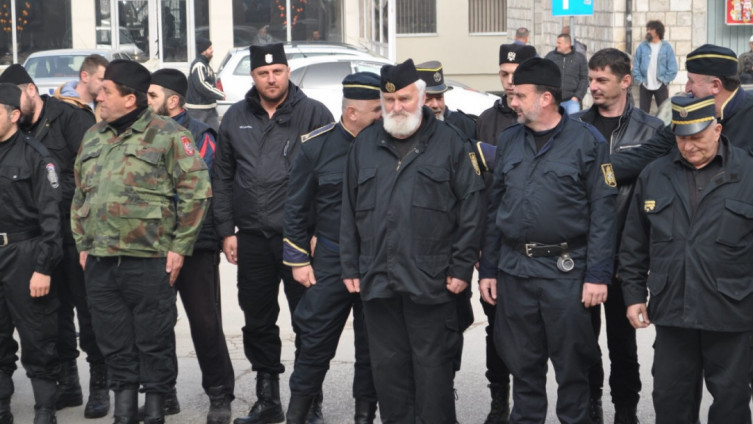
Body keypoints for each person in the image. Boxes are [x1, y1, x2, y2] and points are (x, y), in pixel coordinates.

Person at [340, 59, 485, 424]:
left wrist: (461, 268)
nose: (396, 107)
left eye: (404, 99)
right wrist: (350, 266)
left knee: (433, 373)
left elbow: (471, 210)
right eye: (389, 101)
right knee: (389, 373)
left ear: (420, 97)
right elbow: (349, 210)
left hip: (432, 281)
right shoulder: (365, 144)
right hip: (378, 279)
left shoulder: (450, 142)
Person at [71, 59, 212, 424]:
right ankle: (124, 411)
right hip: (101, 260)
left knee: (154, 340)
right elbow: (80, 194)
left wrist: (180, 246)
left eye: (107, 91)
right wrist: (83, 243)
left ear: (129, 99)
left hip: (149, 259)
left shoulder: (169, 135)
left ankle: (155, 411)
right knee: (112, 340)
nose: (99, 97)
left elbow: (197, 192)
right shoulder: (94, 135)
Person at [478, 57, 618, 423]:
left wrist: (597, 275)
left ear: (546, 98)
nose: (513, 102)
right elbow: (495, 209)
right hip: (515, 271)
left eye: (520, 95)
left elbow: (604, 214)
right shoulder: (509, 140)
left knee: (572, 371)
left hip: (566, 272)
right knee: (523, 368)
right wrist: (488, 269)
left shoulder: (588, 142)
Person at [212, 43, 333, 424]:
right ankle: (268, 399)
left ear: (287, 72)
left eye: (277, 71)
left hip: (299, 239)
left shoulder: (314, 113)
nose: (271, 79)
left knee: (308, 320)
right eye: (263, 73)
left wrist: (321, 231)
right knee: (258, 320)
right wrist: (226, 231)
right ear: (253, 76)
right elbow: (222, 176)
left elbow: (330, 177)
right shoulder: (235, 117)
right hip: (251, 237)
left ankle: (309, 401)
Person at [620, 95, 753, 423]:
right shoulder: (655, 174)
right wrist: (634, 296)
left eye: (697, 137)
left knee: (732, 403)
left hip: (732, 310)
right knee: (670, 400)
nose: (689, 146)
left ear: (717, 129)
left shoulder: (748, 172)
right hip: (672, 309)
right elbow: (634, 243)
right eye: (681, 138)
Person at [0, 63, 108, 418]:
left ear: (30, 91)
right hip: (41, 238)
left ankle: (100, 384)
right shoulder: (17, 132)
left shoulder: (71, 118)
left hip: (76, 233)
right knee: (53, 316)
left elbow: (94, 175)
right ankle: (68, 383)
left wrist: (51, 198)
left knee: (88, 311)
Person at [282, 72, 381, 424]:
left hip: (373, 261)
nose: (382, 115)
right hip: (330, 258)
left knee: (373, 346)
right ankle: (298, 415)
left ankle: (364, 416)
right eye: (376, 110)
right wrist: (298, 260)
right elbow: (295, 207)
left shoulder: (386, 144)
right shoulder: (316, 147)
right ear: (352, 112)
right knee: (314, 341)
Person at [573, 48, 664, 424]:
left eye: (602, 80)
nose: (593, 86)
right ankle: (591, 405)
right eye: (591, 79)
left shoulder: (651, 130)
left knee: (623, 346)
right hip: (582, 254)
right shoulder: (575, 127)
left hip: (627, 256)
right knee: (582, 344)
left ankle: (626, 411)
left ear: (626, 81)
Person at [147, 68, 235, 424]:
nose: (146, 101)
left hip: (196, 243)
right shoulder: (142, 133)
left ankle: (219, 394)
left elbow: (199, 189)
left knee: (204, 322)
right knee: (157, 323)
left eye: (152, 95)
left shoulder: (200, 134)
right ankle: (164, 393)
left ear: (173, 101)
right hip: (153, 244)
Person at [474, 42, 536, 424]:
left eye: (516, 75)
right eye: (503, 74)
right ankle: (499, 401)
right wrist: (481, 247)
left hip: (537, 248)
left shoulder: (545, 116)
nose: (509, 82)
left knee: (537, 335)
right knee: (496, 332)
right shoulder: (486, 119)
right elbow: (479, 189)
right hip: (495, 246)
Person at [0, 82, 62, 424]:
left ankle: (44, 410)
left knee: (38, 336)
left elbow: (52, 218)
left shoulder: (36, 155)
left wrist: (44, 267)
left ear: (13, 115)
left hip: (25, 254)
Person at [612, 44, 753, 184]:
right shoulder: (690, 113)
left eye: (691, 81)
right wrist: (600, 171)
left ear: (716, 85)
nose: (687, 89)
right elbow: (647, 155)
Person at [416, 60, 476, 138]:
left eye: (439, 98)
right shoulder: (408, 129)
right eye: (428, 99)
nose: (435, 105)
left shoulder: (464, 124)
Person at [632, 20, 677, 113]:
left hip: (661, 85)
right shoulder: (642, 47)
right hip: (645, 84)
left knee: (664, 113)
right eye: (647, 29)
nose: (648, 31)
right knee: (643, 114)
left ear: (658, 31)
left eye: (651, 29)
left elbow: (672, 67)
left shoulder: (666, 47)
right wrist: (640, 81)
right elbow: (635, 66)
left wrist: (664, 81)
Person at [53, 54, 109, 121]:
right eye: (101, 80)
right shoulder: (64, 107)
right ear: (84, 76)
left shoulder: (103, 104)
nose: (105, 84)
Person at [186, 37, 225, 131]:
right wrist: (219, 94)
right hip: (198, 109)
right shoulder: (199, 65)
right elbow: (201, 84)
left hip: (209, 107)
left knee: (215, 134)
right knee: (196, 135)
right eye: (210, 48)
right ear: (203, 51)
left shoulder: (205, 64)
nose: (212, 50)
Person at [545, 34, 588, 115]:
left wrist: (577, 97)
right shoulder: (550, 57)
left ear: (567, 44)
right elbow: (544, 75)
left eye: (559, 43)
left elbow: (584, 79)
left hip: (572, 101)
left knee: (573, 121)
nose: (557, 45)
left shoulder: (579, 58)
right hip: (554, 101)